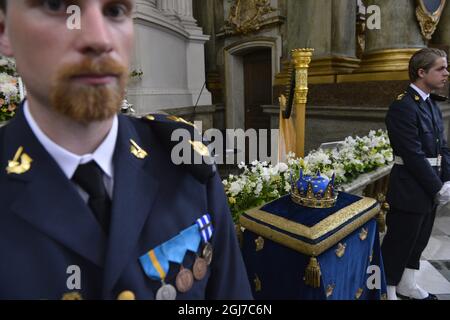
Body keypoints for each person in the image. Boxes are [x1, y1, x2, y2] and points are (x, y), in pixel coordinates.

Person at [0, 0, 252, 300]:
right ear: (4, 31)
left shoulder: (182, 162)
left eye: (115, 10)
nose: (98, 39)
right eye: (57, 6)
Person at [382, 48, 450, 300]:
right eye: (440, 68)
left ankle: (407, 284)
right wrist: (437, 187)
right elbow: (412, 154)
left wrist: (447, 180)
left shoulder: (432, 103)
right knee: (399, 242)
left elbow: (442, 147)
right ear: (421, 72)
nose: (446, 73)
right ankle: (386, 290)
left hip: (429, 186)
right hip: (410, 187)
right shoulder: (403, 107)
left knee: (418, 240)